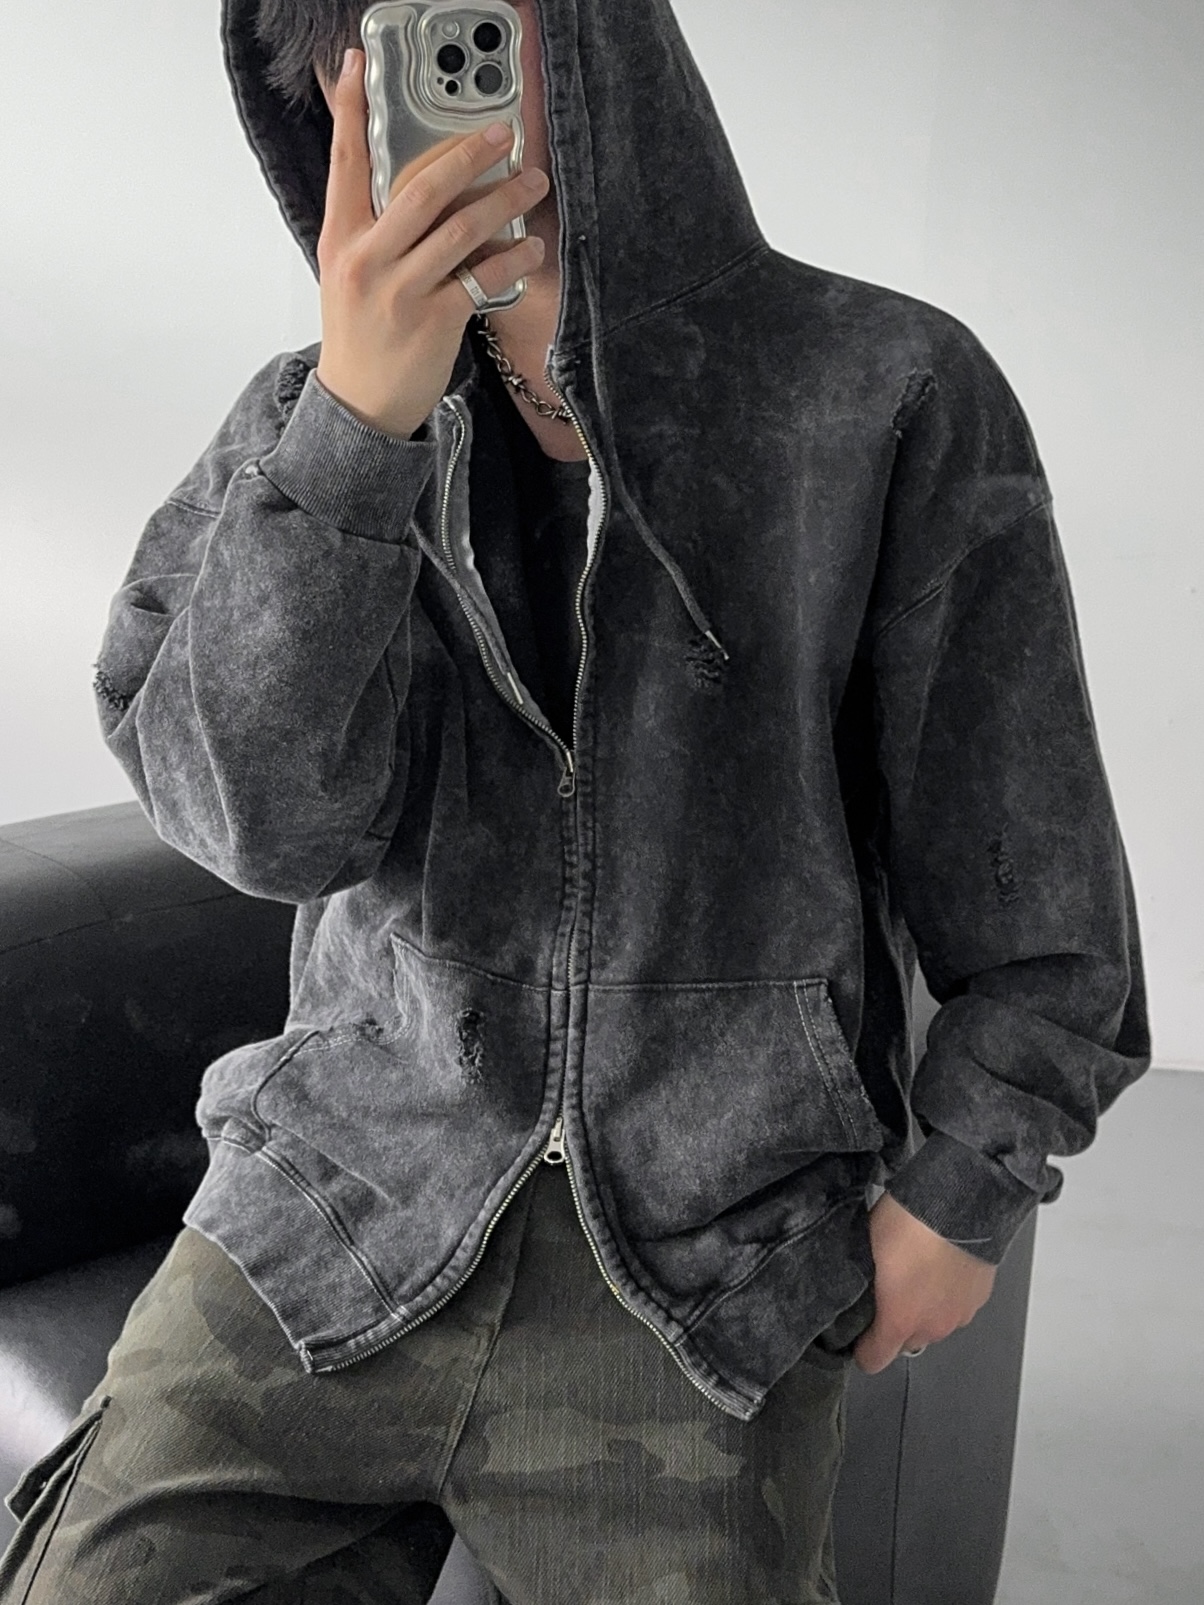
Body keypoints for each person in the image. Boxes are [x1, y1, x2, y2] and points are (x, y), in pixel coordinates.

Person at [1, 0, 1151, 1601]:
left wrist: (962, 1193)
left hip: (710, 1258)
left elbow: (1044, 898)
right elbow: (261, 830)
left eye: (464, 24)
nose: (413, 85)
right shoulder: (299, 427)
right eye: (360, 43)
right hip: (340, 1203)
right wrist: (357, 436)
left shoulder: (886, 395)